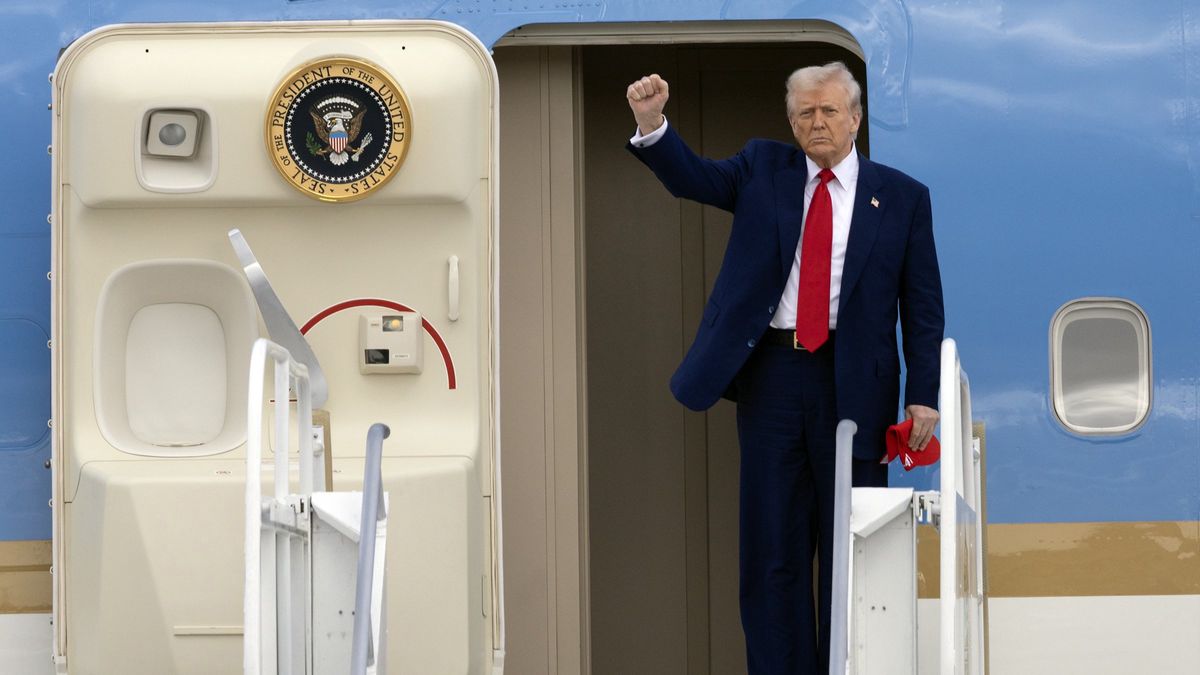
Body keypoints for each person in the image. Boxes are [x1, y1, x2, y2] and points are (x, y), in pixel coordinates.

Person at [625, 62, 944, 675]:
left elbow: (922, 309)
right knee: (773, 550)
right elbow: (692, 179)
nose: (816, 122)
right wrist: (652, 124)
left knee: (853, 547)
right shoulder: (761, 167)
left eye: (828, 111)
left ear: (855, 118)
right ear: (791, 122)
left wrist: (922, 395)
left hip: (856, 386)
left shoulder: (902, 196)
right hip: (773, 378)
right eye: (804, 113)